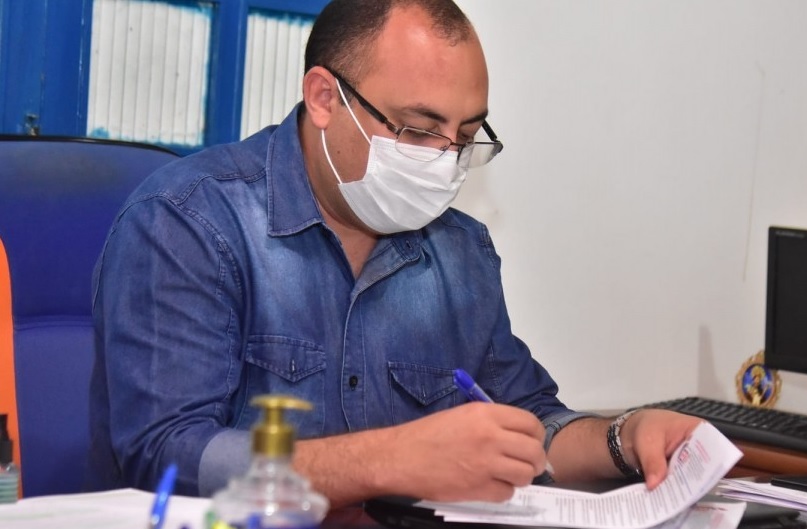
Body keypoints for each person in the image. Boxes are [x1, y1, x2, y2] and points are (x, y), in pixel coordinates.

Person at [88, 0, 701, 507]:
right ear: (325, 98)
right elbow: (165, 456)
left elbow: (526, 422)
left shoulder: (459, 251)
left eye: (465, 136)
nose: (443, 160)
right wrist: (391, 460)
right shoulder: (190, 221)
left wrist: (626, 437)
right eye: (419, 129)